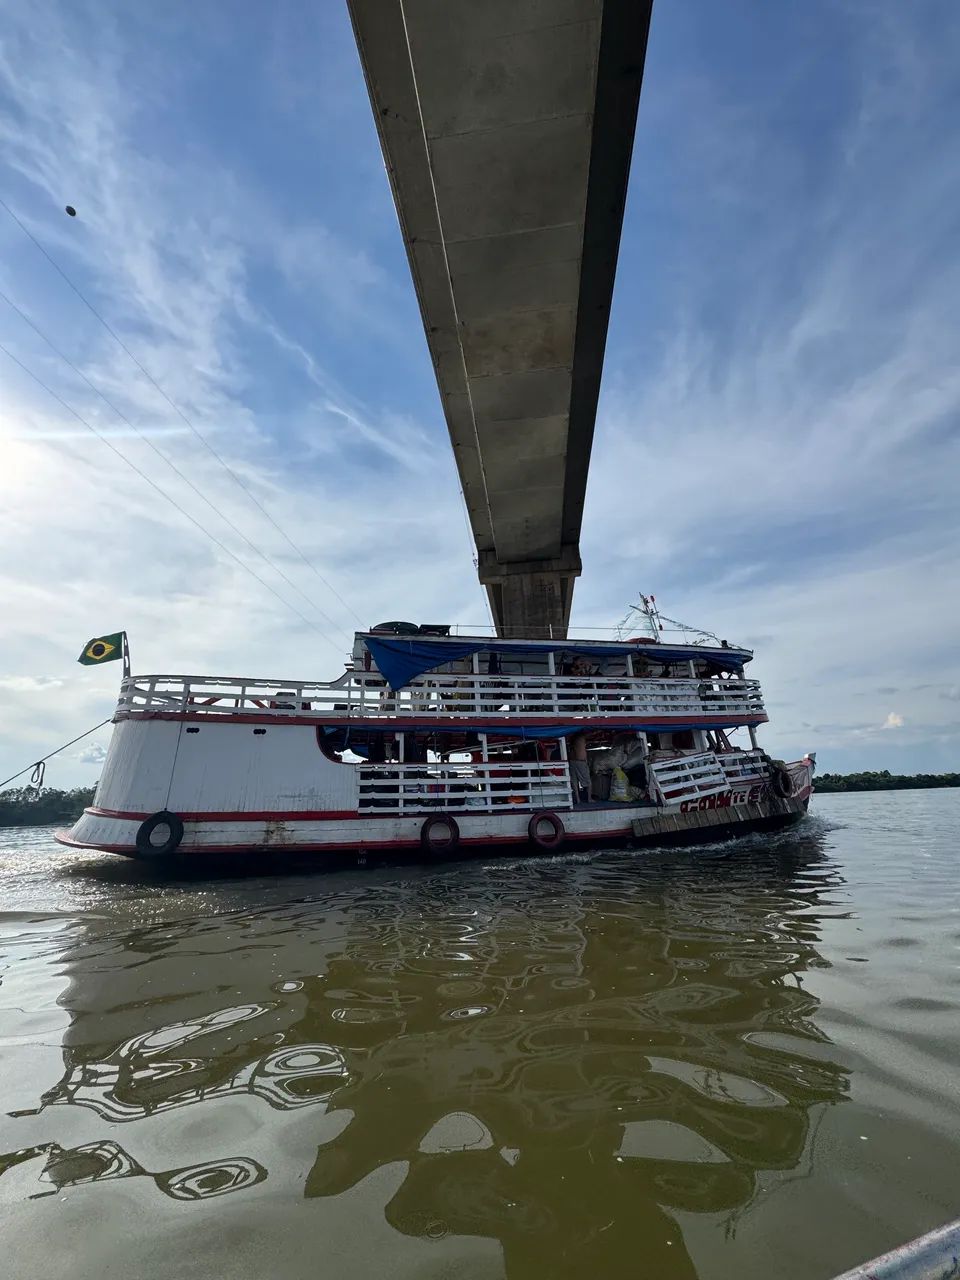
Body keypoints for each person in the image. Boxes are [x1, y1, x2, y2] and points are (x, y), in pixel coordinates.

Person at [568, 731, 591, 804]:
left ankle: (578, 799)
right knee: (588, 782)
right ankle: (589, 799)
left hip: (572, 761)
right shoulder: (581, 738)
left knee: (574, 781)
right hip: (580, 762)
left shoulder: (572, 739)